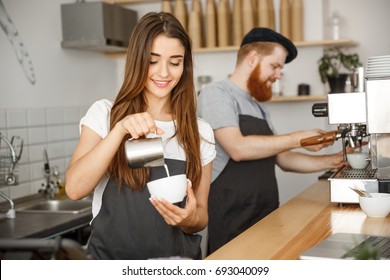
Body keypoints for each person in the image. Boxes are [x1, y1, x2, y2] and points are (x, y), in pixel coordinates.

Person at [65, 12, 216, 260]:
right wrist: (120, 130)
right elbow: (74, 189)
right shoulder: (104, 114)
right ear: (137, 60)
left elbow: (201, 216)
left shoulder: (200, 132)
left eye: (175, 62)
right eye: (153, 60)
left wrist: (188, 219)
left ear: (185, 65)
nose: (164, 73)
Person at [197, 27, 346, 254]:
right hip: (232, 218)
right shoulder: (216, 94)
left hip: (266, 214)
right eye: (275, 66)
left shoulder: (258, 107)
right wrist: (298, 138)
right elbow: (237, 147)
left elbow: (283, 158)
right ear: (253, 58)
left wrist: (334, 160)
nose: (278, 75)